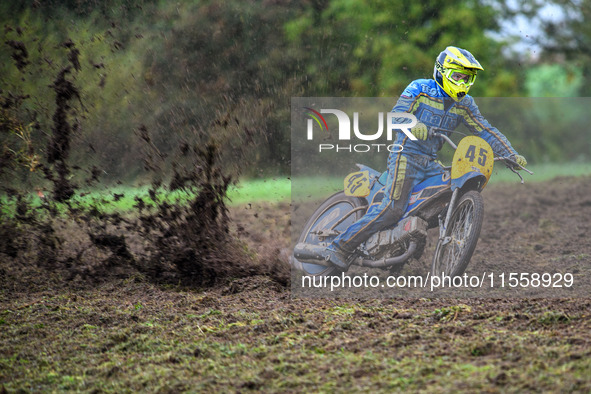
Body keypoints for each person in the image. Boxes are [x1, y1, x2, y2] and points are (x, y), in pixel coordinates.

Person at [325, 46, 527, 270]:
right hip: (405, 155)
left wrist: (510, 154)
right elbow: (396, 116)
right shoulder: (420, 88)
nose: (462, 82)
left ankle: (400, 245)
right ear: (441, 72)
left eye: (467, 78)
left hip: (430, 162)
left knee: (445, 194)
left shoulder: (466, 103)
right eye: (457, 76)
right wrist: (414, 124)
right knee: (392, 208)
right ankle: (339, 246)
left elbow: (484, 130)